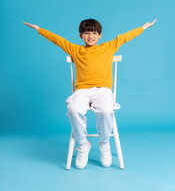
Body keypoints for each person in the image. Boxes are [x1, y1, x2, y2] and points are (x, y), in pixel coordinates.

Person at [23, 18, 157, 169]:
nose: (90, 36)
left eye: (94, 33)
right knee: (73, 109)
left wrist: (144, 27)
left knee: (107, 110)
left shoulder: (108, 47)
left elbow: (124, 37)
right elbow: (58, 40)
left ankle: (104, 144)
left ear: (100, 35)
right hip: (82, 91)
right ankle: (82, 144)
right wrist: (39, 29)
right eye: (87, 33)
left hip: (103, 91)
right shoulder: (76, 50)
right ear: (81, 35)